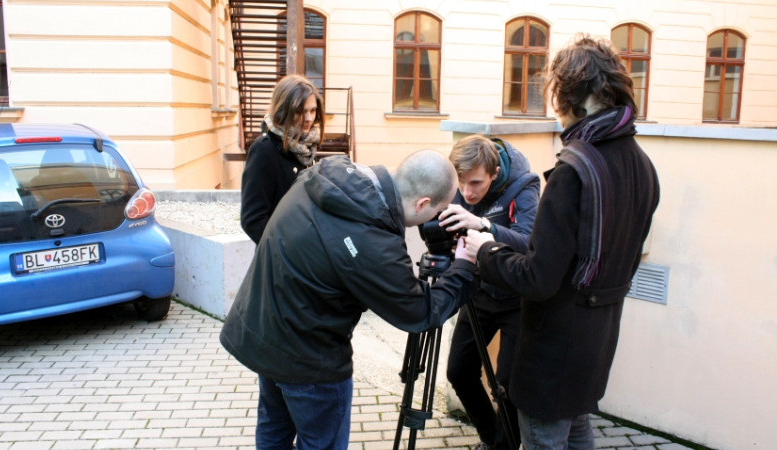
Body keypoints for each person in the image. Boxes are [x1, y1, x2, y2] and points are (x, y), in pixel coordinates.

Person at [464, 34, 660, 450]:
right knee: (577, 430)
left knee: (547, 438)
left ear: (577, 99)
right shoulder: (643, 165)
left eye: (557, 99)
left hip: (552, 355)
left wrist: (484, 250)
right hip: (597, 342)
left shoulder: (574, 169)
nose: (557, 113)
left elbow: (538, 278)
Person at [220, 150, 480, 449]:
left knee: (273, 434)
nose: (436, 220)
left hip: (264, 334)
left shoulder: (326, 175)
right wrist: (464, 268)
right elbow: (420, 313)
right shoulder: (373, 241)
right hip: (309, 362)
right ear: (422, 204)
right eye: (439, 211)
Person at [438, 134, 540, 450]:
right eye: (461, 184)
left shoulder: (525, 184)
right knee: (459, 372)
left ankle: (506, 445)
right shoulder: (458, 183)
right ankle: (492, 437)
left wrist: (484, 225)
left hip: (515, 297)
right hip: (477, 292)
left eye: (476, 184)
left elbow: (531, 242)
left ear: (494, 173)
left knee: (507, 384)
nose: (466, 193)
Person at [240, 74, 324, 244]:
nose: (308, 118)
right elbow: (253, 220)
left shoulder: (307, 147)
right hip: (282, 261)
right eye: (301, 111)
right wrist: (289, 251)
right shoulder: (264, 150)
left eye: (312, 110)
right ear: (284, 110)